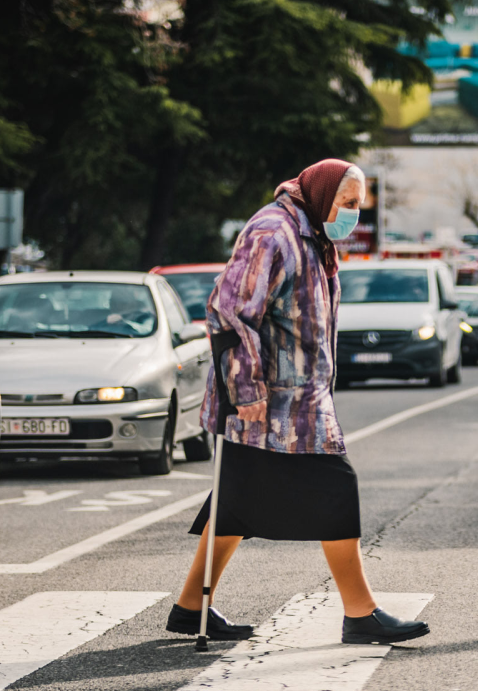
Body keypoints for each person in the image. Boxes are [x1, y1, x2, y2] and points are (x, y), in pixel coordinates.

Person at [166, 159, 430, 646]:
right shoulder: (273, 232)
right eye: (348, 203)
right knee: (335, 487)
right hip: (273, 406)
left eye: (358, 206)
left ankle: (189, 607)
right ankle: (361, 612)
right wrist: (245, 390)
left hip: (299, 400)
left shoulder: (313, 237)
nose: (353, 214)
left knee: (234, 503)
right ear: (323, 192)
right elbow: (229, 312)